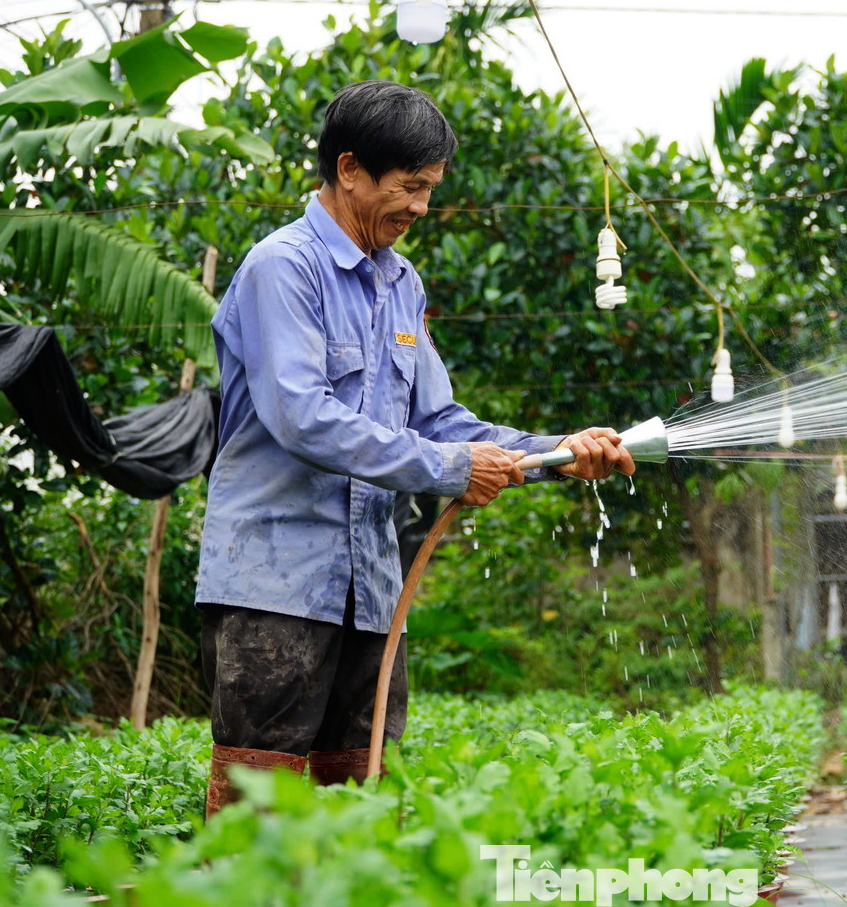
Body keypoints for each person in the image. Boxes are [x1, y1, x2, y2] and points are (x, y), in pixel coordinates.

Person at [196, 80, 634, 818]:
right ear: (349, 170)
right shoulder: (283, 268)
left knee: (360, 797)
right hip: (273, 583)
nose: (421, 208)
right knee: (258, 805)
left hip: (371, 593)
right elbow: (302, 415)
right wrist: (451, 469)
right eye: (410, 187)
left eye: (430, 189)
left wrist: (559, 451)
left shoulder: (402, 284)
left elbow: (439, 422)